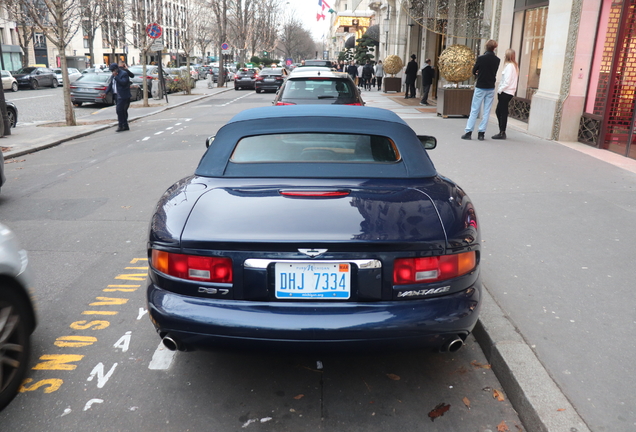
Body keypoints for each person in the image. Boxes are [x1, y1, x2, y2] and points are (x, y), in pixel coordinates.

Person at [461, 39, 501, 141]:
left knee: (475, 109)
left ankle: (468, 132)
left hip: (480, 86)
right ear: (494, 48)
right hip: (490, 86)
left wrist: (478, 73)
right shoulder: (497, 60)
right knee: (486, 111)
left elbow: (474, 70)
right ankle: (481, 133)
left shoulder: (481, 58)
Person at [492, 49, 519, 140]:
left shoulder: (510, 66)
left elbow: (507, 81)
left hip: (506, 92)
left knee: (501, 112)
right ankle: (501, 131)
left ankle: (502, 132)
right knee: (500, 111)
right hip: (508, 91)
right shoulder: (513, 66)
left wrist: (500, 90)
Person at [106, 62, 134, 132]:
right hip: (116, 95)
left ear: (116, 69)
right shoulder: (113, 76)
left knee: (119, 110)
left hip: (123, 95)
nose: (112, 72)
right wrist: (105, 92)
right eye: (111, 71)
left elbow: (123, 83)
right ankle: (125, 125)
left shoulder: (123, 74)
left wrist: (116, 77)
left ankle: (121, 125)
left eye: (113, 70)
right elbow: (110, 85)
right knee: (121, 111)